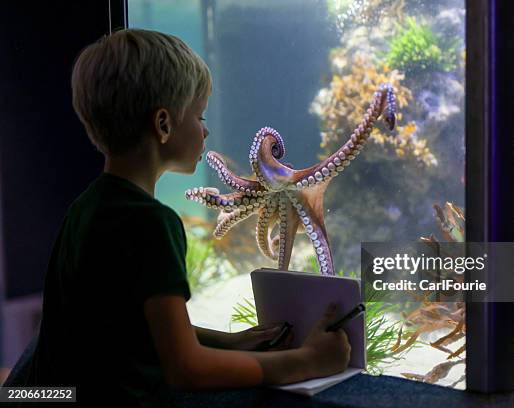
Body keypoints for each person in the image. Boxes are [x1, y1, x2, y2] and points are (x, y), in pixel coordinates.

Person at [25, 28, 350, 407]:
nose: (206, 128)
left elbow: (133, 327)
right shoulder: (151, 223)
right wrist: (305, 361)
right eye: (199, 115)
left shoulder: (85, 207)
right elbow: (186, 369)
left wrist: (231, 341)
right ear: (163, 125)